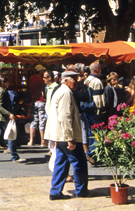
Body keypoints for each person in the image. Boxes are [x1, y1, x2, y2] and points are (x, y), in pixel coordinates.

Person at [44, 70, 88, 200]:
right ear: (66, 80)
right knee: (79, 162)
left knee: (61, 163)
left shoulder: (61, 91)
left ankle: (55, 191)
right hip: (66, 135)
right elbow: (65, 116)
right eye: (75, 79)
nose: (77, 82)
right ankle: (81, 190)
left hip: (60, 135)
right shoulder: (65, 93)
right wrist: (70, 138)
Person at [0, 76, 26, 163]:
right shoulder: (2, 91)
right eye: (7, 82)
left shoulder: (0, 91)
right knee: (11, 136)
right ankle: (15, 157)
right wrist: (9, 114)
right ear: (3, 83)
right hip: (3, 117)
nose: (8, 84)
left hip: (0, 117)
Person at [28, 64, 47, 146]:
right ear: (41, 71)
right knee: (42, 121)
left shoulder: (31, 79)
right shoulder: (40, 80)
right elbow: (43, 90)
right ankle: (42, 141)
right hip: (41, 101)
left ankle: (31, 140)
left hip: (34, 101)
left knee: (34, 120)